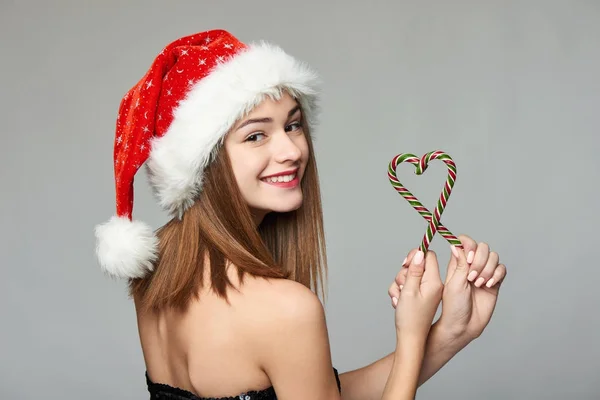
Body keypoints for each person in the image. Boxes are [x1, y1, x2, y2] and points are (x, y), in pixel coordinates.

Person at [94, 29, 507, 399]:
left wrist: (452, 333)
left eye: (292, 125)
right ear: (204, 161)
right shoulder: (285, 309)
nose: (291, 151)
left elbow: (316, 390)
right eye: (256, 135)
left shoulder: (158, 265)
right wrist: (412, 332)